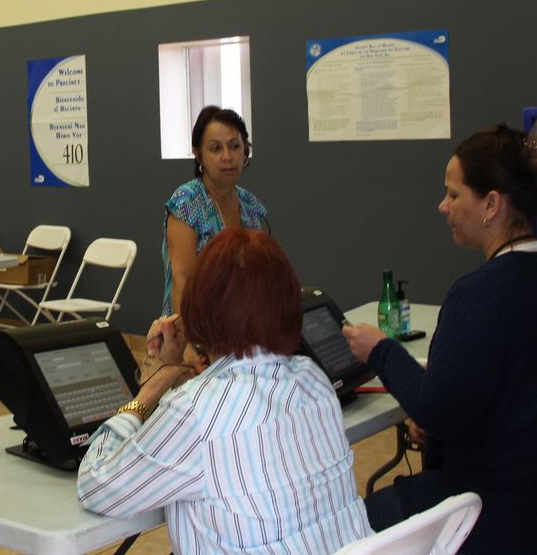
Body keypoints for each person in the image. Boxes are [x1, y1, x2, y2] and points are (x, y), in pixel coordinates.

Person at [79, 228, 371, 554]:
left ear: (199, 309)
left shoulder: (194, 412)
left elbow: (98, 487)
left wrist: (152, 386)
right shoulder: (312, 378)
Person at [343, 124, 537, 553]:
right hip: (523, 506)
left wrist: (380, 350)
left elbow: (439, 410)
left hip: (483, 514)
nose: (442, 206)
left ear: (490, 204)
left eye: (453, 194)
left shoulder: (480, 295)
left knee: (345, 524)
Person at [162, 105, 267, 316]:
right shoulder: (187, 202)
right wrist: (192, 343)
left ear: (245, 150)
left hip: (244, 325)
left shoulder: (250, 204)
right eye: (216, 148)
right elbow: (182, 279)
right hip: (198, 327)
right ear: (198, 155)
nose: (227, 156)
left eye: (235, 146)